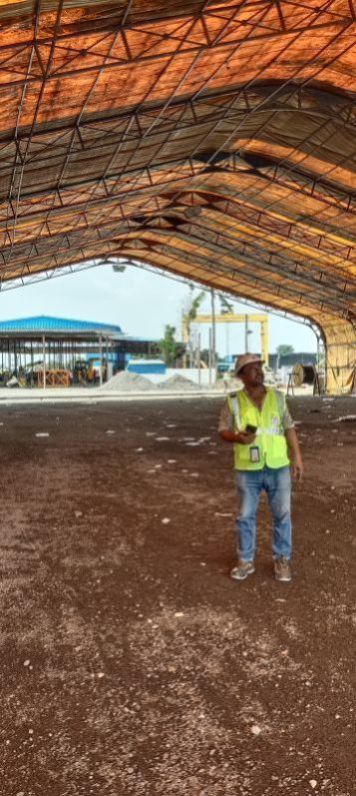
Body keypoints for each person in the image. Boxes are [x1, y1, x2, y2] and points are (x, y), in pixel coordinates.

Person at [218, 353, 303, 583]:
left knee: (283, 515)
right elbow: (222, 429)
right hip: (248, 469)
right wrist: (237, 438)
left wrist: (297, 458)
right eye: (253, 368)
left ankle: (282, 559)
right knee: (245, 516)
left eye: (259, 367)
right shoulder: (233, 400)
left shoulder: (277, 398)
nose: (259, 371)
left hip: (278, 466)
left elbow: (289, 428)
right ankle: (245, 560)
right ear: (242, 375)